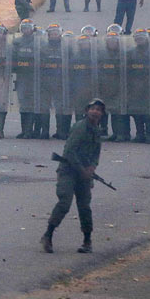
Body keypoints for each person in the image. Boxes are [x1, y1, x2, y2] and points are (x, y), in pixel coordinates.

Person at [44, 98, 106, 254]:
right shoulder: (80, 127)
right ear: (87, 111)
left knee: (84, 207)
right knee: (65, 202)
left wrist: (92, 167)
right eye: (93, 108)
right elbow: (70, 152)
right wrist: (83, 170)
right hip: (69, 170)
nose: (95, 111)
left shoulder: (96, 130)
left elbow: (96, 152)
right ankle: (48, 235)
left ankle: (87, 240)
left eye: (99, 109)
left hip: (84, 173)